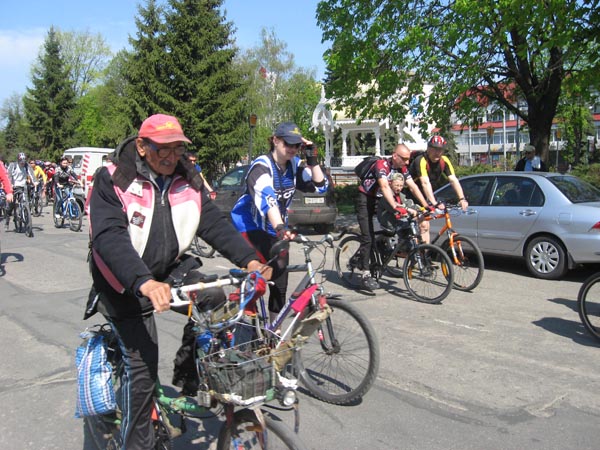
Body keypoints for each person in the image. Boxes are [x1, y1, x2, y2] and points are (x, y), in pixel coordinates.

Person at [85, 113, 270, 450]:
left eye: (178, 149)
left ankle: (188, 376)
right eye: (163, 149)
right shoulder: (113, 179)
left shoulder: (187, 179)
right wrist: (143, 282)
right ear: (142, 146)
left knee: (214, 298)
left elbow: (213, 223)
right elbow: (109, 237)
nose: (171, 157)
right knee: (142, 373)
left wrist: (250, 259)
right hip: (121, 280)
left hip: (168, 269)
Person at [231, 122, 328, 317]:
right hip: (249, 225)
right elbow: (269, 201)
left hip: (276, 226)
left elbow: (320, 187)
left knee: (280, 283)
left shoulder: (294, 165)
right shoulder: (261, 167)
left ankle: (273, 331)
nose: (292, 149)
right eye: (288, 144)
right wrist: (281, 227)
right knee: (259, 278)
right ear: (275, 140)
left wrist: (312, 158)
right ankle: (239, 306)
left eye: (297, 145)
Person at [355, 143, 428, 290]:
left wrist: (426, 205)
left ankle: (383, 247)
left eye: (408, 159)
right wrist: (395, 206)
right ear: (395, 156)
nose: (407, 162)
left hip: (380, 199)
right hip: (365, 199)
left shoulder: (402, 168)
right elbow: (384, 186)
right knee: (367, 237)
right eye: (404, 159)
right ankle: (365, 274)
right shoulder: (381, 165)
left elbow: (413, 186)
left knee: (398, 225)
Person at [408, 135, 468, 243]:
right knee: (423, 224)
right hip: (410, 193)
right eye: (434, 149)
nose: (437, 152)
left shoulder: (444, 161)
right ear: (428, 148)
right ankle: (413, 248)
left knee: (425, 226)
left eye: (440, 150)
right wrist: (434, 203)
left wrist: (462, 198)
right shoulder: (421, 160)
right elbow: (425, 183)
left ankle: (424, 252)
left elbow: (453, 180)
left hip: (425, 194)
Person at [5, 152, 36, 231]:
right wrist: (10, 185)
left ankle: (26, 216)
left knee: (25, 203)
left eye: (24, 160)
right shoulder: (13, 165)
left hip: (23, 187)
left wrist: (35, 182)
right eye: (21, 161)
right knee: (10, 205)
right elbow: (8, 176)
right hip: (13, 187)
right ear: (18, 160)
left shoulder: (27, 166)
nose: (22, 163)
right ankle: (7, 220)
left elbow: (31, 174)